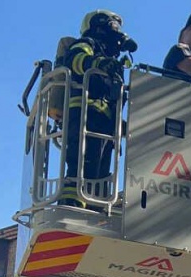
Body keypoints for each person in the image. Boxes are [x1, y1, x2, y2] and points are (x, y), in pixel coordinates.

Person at [58, 10, 136, 208]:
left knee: (102, 166)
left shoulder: (114, 63)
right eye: (113, 27)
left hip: (107, 120)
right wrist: (98, 63)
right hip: (85, 112)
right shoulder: (87, 44)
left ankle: (95, 205)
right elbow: (75, 60)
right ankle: (72, 202)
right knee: (83, 160)